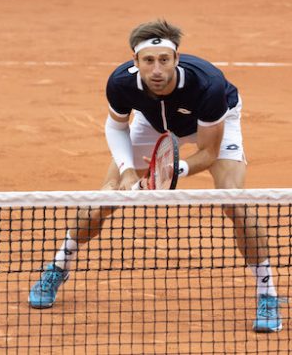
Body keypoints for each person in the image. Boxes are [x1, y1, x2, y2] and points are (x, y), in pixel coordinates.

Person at [28, 18, 283, 333]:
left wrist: (178, 168)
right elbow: (116, 126)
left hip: (213, 123)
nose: (157, 69)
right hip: (152, 125)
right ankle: (59, 266)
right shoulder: (121, 83)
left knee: (236, 204)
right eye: (149, 61)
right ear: (136, 62)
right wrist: (124, 172)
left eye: (165, 60)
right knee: (101, 201)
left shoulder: (209, 85)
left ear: (177, 59)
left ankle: (267, 291)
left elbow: (208, 151)